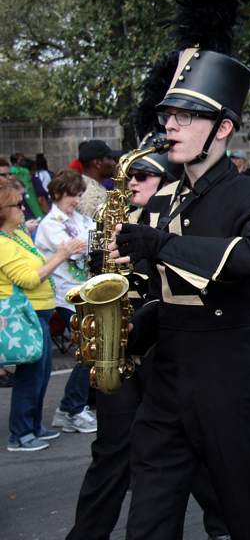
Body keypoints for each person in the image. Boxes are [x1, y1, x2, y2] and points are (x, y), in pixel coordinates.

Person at [107, 0, 250, 538]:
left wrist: (157, 246)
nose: (171, 126)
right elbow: (155, 277)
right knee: (149, 520)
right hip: (167, 372)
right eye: (169, 115)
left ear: (224, 128)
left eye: (187, 116)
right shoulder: (165, 194)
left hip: (228, 373)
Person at [66, 114, 229, 539]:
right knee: (111, 454)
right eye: (130, 176)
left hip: (165, 353)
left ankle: (225, 524)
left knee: (190, 450)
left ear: (167, 183)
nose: (134, 183)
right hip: (120, 354)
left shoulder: (182, 223)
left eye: (143, 175)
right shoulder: (111, 222)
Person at [2, 179, 87, 451]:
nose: (23, 208)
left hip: (40, 311)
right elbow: (27, 278)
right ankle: (21, 434)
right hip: (27, 312)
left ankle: (34, 426)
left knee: (40, 376)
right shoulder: (4, 242)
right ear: (3, 210)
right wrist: (61, 255)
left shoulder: (18, 235)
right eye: (17, 204)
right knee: (29, 377)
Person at [33, 170, 97, 434]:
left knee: (93, 350)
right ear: (57, 194)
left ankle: (78, 406)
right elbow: (77, 248)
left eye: (80, 194)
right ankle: (70, 409)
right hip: (66, 297)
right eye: (72, 194)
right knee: (87, 351)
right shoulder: (50, 224)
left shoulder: (81, 218)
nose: (77, 199)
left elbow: (95, 242)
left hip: (88, 291)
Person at [76, 140, 120, 219]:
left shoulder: (79, 185)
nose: (114, 163)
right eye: (110, 159)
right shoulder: (93, 195)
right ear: (97, 163)